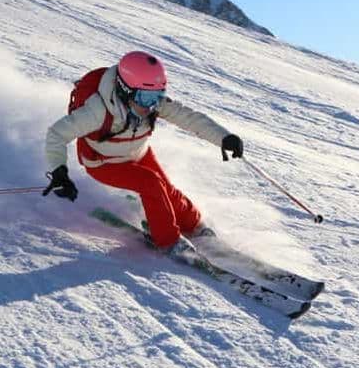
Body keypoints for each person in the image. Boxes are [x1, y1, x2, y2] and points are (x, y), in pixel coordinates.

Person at [43, 51, 243, 253]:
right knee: (151, 184)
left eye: (158, 96)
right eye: (146, 97)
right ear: (125, 90)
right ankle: (168, 242)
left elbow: (189, 118)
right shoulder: (97, 111)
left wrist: (223, 137)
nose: (152, 105)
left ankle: (194, 226)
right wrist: (59, 171)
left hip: (138, 152)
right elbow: (57, 134)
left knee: (166, 188)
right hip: (104, 163)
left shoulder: (151, 105)